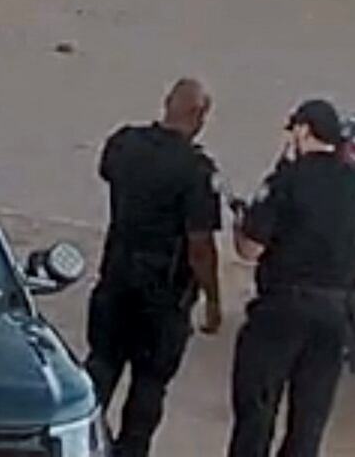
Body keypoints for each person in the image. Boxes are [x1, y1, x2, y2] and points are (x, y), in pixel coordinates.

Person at [223, 99, 355, 457]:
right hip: (335, 313)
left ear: (303, 131)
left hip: (281, 309)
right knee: (308, 422)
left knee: (256, 413)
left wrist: (240, 221)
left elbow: (250, 249)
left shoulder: (287, 179)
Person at [85, 77, 223, 457]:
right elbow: (200, 245)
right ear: (200, 116)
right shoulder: (196, 172)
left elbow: (107, 171)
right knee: (148, 388)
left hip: (115, 281)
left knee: (100, 370)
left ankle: (81, 445)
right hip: (163, 297)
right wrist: (212, 300)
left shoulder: (125, 144)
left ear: (166, 103)